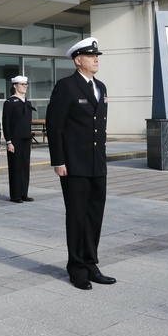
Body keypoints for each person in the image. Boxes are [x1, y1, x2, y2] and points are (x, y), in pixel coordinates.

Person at [46, 37, 115, 291]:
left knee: (95, 215)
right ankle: (76, 268)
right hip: (74, 165)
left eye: (97, 56)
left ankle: (90, 263)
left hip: (97, 164)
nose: (96, 59)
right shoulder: (66, 86)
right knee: (76, 216)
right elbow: (55, 126)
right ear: (78, 60)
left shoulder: (102, 87)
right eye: (91, 56)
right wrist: (58, 161)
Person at [3, 75, 36, 203]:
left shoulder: (27, 102)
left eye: (26, 84)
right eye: (22, 84)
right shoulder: (10, 102)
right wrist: (9, 141)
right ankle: (15, 195)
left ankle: (24, 193)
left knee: (25, 166)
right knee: (15, 167)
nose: (25, 86)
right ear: (15, 86)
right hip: (15, 139)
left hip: (26, 139)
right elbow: (6, 123)